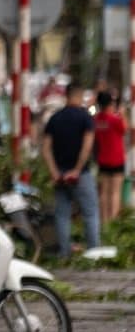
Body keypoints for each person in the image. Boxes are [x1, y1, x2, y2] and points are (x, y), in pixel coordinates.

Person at [41, 82, 100, 256]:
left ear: (65, 96)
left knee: (62, 214)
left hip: (60, 174)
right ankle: (93, 252)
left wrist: (54, 172)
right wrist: (77, 169)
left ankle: (64, 252)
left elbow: (45, 149)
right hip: (81, 175)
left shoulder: (55, 118)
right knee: (90, 213)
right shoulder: (85, 118)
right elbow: (87, 146)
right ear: (80, 96)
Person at [93, 90, 127, 226]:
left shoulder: (96, 120)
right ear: (110, 103)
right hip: (117, 159)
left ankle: (104, 221)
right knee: (115, 192)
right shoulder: (115, 120)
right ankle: (112, 222)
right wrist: (123, 114)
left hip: (102, 160)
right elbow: (125, 128)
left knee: (104, 192)